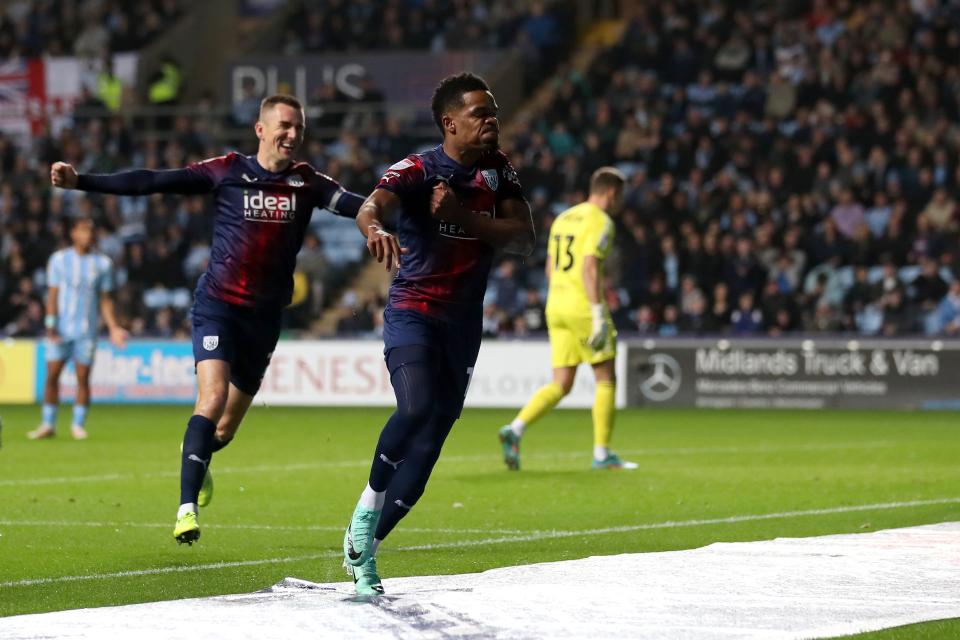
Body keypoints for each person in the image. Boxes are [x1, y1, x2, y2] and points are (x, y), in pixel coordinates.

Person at [49, 94, 366, 545]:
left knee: (225, 429)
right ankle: (186, 509)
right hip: (217, 305)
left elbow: (360, 204)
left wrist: (412, 210)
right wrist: (82, 181)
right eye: (284, 125)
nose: (292, 134)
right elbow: (152, 181)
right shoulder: (227, 170)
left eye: (298, 127)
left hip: (264, 319)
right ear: (260, 129)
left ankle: (198, 454)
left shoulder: (308, 183)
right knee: (211, 398)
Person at [341, 72, 535, 595]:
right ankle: (365, 509)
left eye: (492, 111)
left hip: (463, 323)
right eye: (479, 112)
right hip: (414, 311)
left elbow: (524, 238)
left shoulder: (499, 172)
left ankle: (366, 551)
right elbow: (371, 205)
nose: (491, 119)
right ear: (450, 123)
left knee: (429, 448)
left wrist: (463, 216)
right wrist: (375, 229)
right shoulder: (421, 169)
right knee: (415, 408)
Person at [498, 167, 637, 471]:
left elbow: (550, 269)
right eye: (621, 195)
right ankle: (602, 453)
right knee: (605, 377)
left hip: (556, 305)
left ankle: (516, 428)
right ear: (612, 192)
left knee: (562, 383)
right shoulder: (601, 221)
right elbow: (589, 267)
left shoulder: (564, 217)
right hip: (583, 306)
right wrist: (599, 314)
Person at [27, 217, 128, 441]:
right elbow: (52, 295)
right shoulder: (58, 260)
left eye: (91, 231)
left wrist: (113, 327)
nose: (88, 235)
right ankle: (48, 423)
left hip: (86, 331)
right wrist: (50, 324)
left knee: (83, 378)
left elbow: (105, 300)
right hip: (61, 329)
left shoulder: (103, 264)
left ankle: (78, 424)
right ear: (73, 233)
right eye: (83, 230)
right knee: (52, 376)